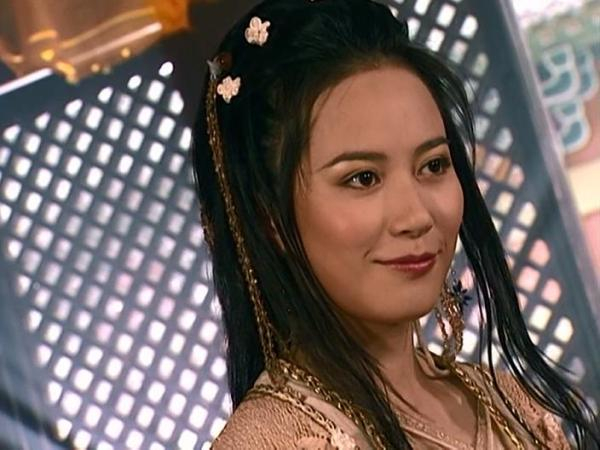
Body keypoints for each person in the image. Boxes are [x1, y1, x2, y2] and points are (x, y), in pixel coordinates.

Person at [192, 0, 600, 448]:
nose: (417, 216)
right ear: (269, 215)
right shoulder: (270, 442)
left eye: (433, 165)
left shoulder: (512, 403)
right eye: (363, 178)